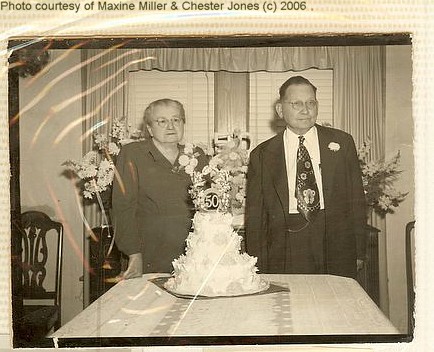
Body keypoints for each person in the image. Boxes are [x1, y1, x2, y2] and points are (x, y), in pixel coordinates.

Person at [245, 76, 366, 279]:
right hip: (286, 242)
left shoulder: (342, 142)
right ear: (280, 110)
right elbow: (256, 216)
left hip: (335, 241)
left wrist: (359, 250)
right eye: (297, 104)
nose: (305, 110)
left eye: (311, 103)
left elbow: (356, 201)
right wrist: (255, 261)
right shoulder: (262, 154)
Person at [112, 99, 207, 279]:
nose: (170, 126)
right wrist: (133, 253)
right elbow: (122, 207)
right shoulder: (132, 154)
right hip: (149, 251)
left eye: (176, 120)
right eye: (162, 121)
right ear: (149, 128)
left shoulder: (197, 155)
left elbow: (208, 206)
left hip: (193, 250)